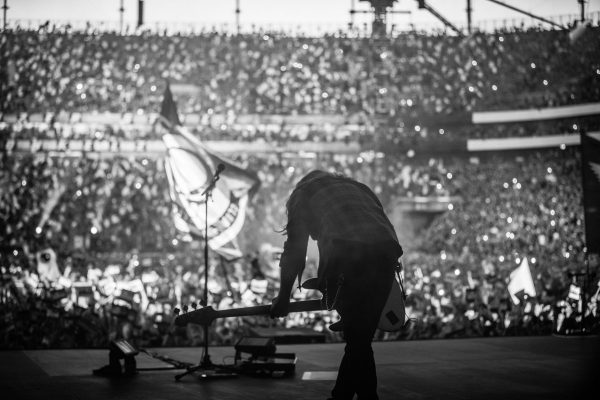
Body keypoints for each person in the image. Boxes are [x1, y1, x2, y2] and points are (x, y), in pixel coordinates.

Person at [270, 170, 403, 400]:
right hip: (387, 254)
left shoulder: (304, 194)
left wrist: (283, 298)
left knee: (358, 340)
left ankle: (354, 397)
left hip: (349, 255)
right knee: (359, 340)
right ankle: (349, 395)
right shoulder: (360, 187)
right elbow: (381, 230)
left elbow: (295, 251)